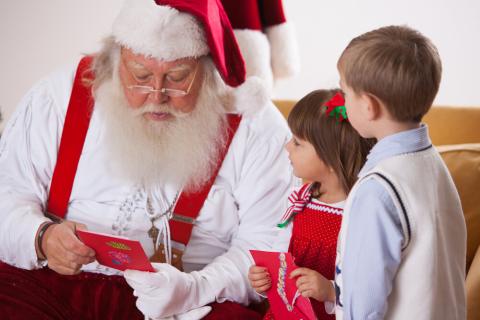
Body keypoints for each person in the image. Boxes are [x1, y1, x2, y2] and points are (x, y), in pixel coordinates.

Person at [0, 0, 294, 319]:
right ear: (115, 62)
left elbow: (266, 247)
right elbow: (8, 195)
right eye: (140, 75)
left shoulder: (256, 125)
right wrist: (41, 237)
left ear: (208, 67)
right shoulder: (57, 95)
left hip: (189, 302)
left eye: (178, 77)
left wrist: (196, 288)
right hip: (50, 285)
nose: (156, 95)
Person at [314, 25, 467, 319]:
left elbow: (364, 305)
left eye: (345, 93)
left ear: (369, 106)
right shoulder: (434, 166)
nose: (342, 102)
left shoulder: (377, 189)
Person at [248, 90, 374, 319]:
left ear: (331, 157)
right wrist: (265, 278)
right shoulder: (299, 199)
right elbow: (280, 257)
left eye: (297, 143)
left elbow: (369, 284)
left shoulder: (358, 212)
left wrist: (329, 291)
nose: (287, 147)